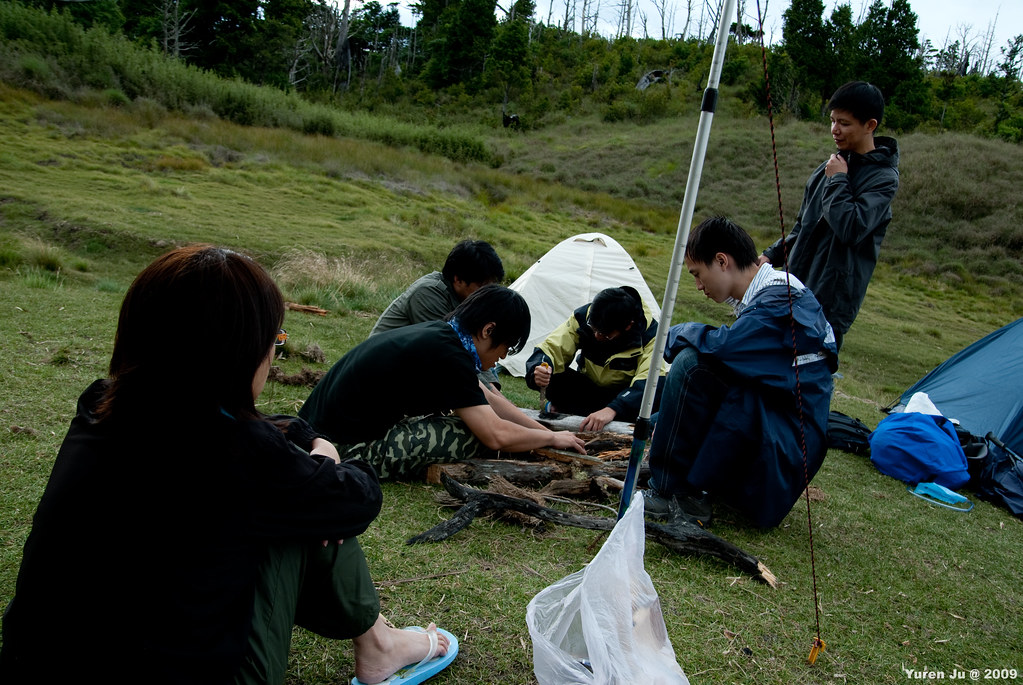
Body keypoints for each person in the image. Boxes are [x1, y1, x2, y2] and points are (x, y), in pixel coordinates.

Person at [0, 245, 454, 685]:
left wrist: (302, 432)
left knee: (304, 496)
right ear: (240, 353)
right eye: (274, 340)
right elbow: (358, 497)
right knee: (316, 511)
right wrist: (323, 455)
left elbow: (227, 424)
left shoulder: (100, 405)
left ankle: (379, 642)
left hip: (33, 661)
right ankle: (380, 647)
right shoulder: (239, 452)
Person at [644, 217, 837, 528]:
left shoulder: (780, 300)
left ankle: (671, 490)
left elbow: (726, 348)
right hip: (776, 424)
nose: (698, 286)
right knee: (680, 395)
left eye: (697, 274)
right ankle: (683, 479)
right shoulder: (772, 294)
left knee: (691, 366)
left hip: (782, 450)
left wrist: (675, 334)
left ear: (722, 261)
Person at [300, 284, 586, 479]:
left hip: (314, 434)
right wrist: (549, 438)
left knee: (472, 422)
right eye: (506, 347)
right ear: (489, 330)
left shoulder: (443, 336)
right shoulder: (449, 355)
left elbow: (490, 397)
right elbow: (495, 434)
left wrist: (546, 431)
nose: (501, 358)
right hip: (340, 448)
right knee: (467, 434)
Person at [759, 81, 899, 351]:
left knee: (808, 377)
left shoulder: (883, 179)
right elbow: (803, 228)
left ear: (870, 125)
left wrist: (838, 181)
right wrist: (771, 255)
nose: (835, 130)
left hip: (830, 302)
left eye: (844, 123)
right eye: (833, 120)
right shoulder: (830, 167)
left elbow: (851, 227)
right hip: (795, 286)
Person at [524, 286, 667, 432]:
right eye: (594, 329)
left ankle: (568, 408)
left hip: (621, 397)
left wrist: (612, 409)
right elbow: (552, 348)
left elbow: (650, 382)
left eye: (605, 334)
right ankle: (571, 408)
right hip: (588, 389)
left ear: (628, 326)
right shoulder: (582, 317)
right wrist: (540, 369)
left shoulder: (650, 336)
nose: (597, 336)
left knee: (652, 400)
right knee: (553, 374)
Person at [370, 239, 505, 335]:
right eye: (482, 286)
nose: (488, 294)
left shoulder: (466, 299)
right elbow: (451, 347)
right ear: (458, 279)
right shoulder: (427, 293)